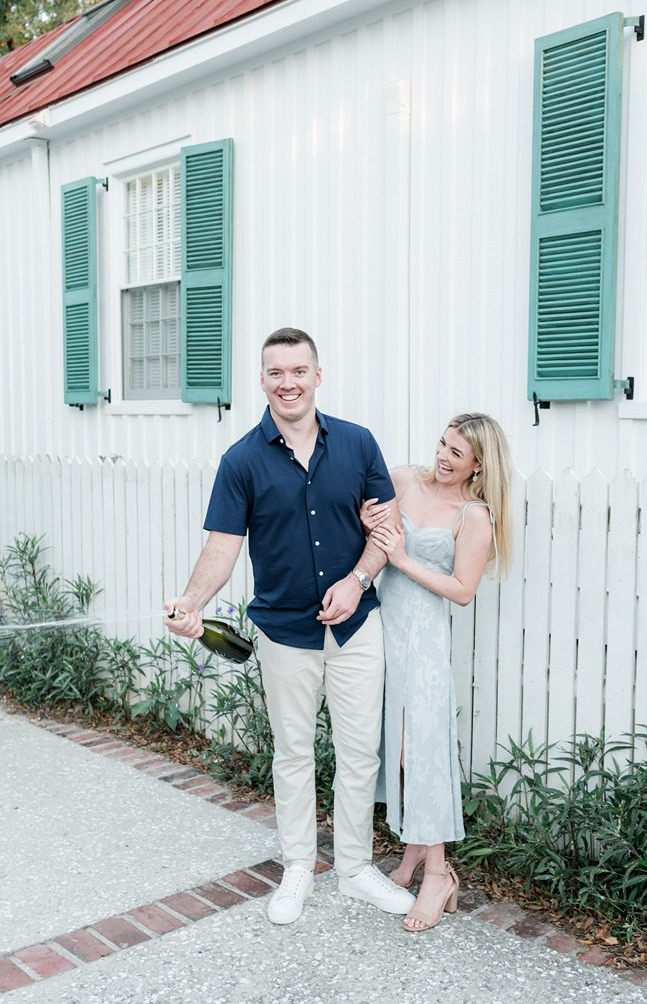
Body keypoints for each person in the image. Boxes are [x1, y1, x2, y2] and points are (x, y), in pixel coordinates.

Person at [164, 327, 415, 925]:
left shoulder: (358, 444)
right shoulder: (242, 460)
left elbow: (386, 530)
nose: (288, 383)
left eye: (298, 370)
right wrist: (193, 600)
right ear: (262, 381)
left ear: (317, 375)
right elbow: (222, 546)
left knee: (360, 755)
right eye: (276, 372)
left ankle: (354, 869)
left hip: (357, 629)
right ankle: (299, 865)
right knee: (293, 754)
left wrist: (356, 582)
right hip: (284, 632)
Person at [360, 413, 512, 933]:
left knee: (419, 751)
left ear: (478, 465)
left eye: (457, 453)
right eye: (442, 444)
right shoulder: (403, 479)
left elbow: (463, 591)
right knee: (395, 752)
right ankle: (410, 857)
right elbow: (373, 536)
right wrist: (369, 528)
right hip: (384, 628)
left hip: (424, 640)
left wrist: (401, 557)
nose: (444, 457)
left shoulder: (474, 515)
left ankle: (438, 873)